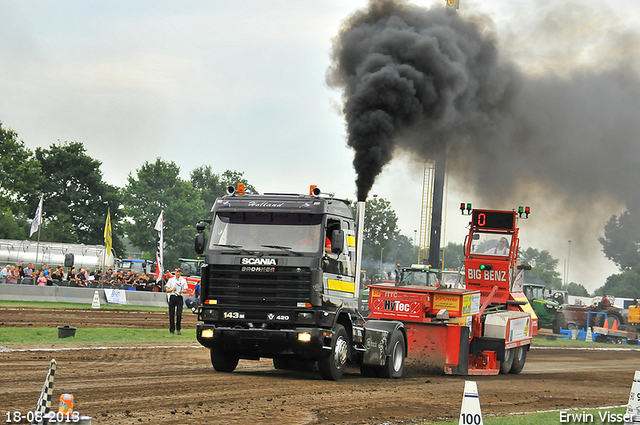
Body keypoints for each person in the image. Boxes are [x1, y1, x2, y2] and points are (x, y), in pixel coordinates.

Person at [165, 269, 189, 335]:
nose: (178, 273)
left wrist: (182, 291)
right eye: (177, 272)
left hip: (179, 297)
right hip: (173, 296)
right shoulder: (171, 280)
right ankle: (171, 330)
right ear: (175, 272)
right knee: (171, 314)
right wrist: (172, 289)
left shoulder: (183, 280)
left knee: (179, 314)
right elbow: (167, 290)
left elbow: (185, 290)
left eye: (179, 272)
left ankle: (178, 329)